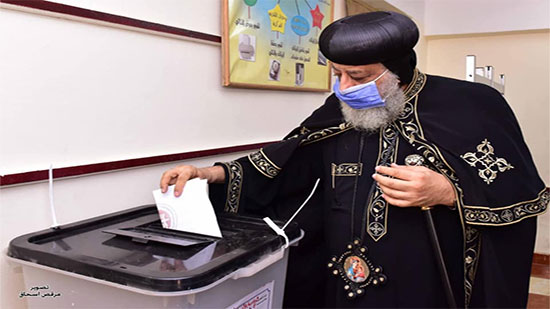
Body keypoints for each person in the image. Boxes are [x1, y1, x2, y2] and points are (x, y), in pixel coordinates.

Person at [160, 11, 548, 308]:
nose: (344, 88)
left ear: (398, 71)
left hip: (425, 281)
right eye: (337, 74)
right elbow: (290, 161)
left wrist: (448, 191)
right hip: (339, 275)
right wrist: (211, 173)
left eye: (358, 77)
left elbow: (519, 191)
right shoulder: (339, 107)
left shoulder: (472, 105)